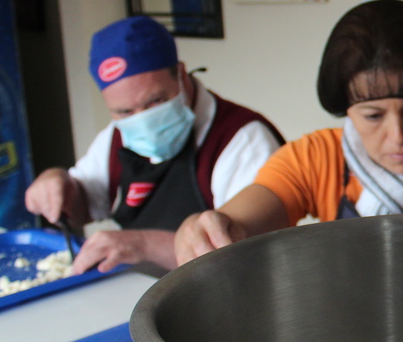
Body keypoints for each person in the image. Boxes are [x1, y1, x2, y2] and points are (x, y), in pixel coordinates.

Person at [174, 0, 403, 264]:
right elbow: (244, 220)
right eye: (373, 116)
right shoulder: (316, 158)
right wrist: (211, 228)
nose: (399, 135)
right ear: (347, 111)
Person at [25, 15, 284, 274]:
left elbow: (245, 257)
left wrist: (144, 245)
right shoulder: (116, 137)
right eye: (125, 112)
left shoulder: (242, 141)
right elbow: (84, 205)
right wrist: (57, 185)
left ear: (181, 75)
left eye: (156, 102)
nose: (143, 122)